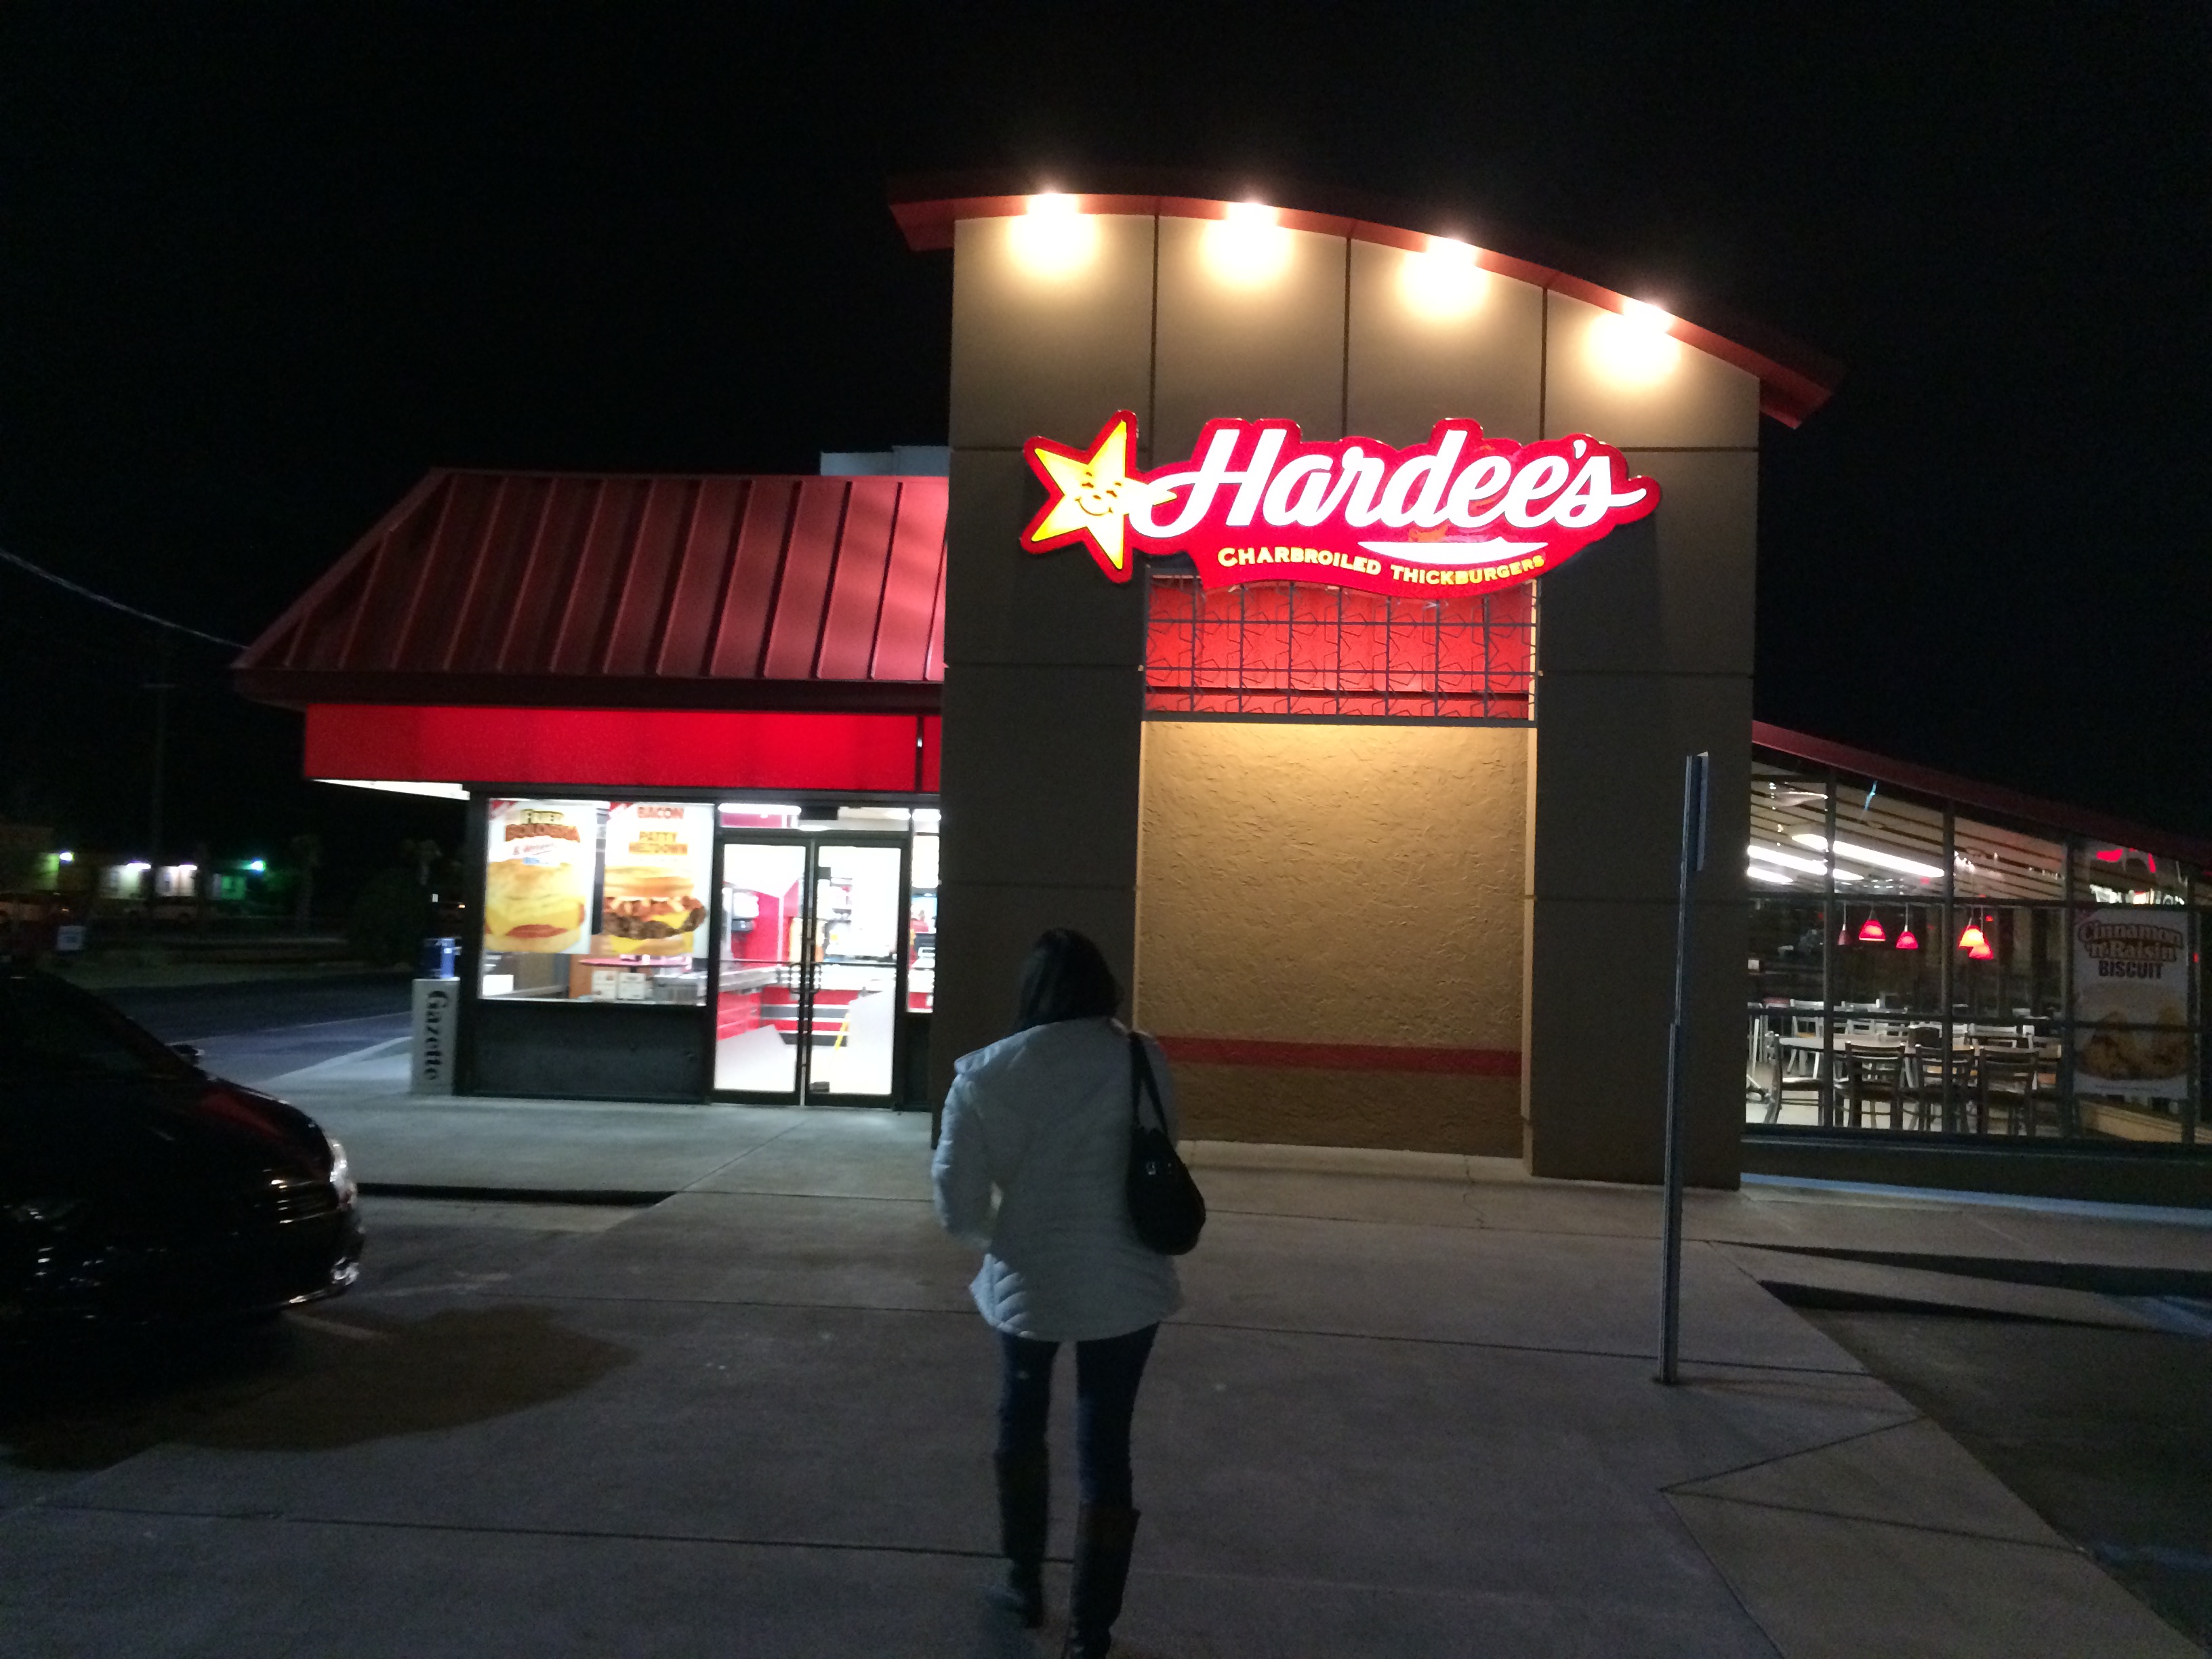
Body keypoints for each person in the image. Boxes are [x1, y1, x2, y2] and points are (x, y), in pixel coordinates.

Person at [932, 927, 1181, 1659]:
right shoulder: (1141, 1056)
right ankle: (1092, 1631)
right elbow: (1162, 1146)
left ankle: (1023, 1583)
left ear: (1031, 990)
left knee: (1022, 1417)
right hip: (1127, 1279)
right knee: (1107, 1441)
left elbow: (956, 1200)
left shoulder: (986, 1073)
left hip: (1030, 1277)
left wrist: (999, 1238)